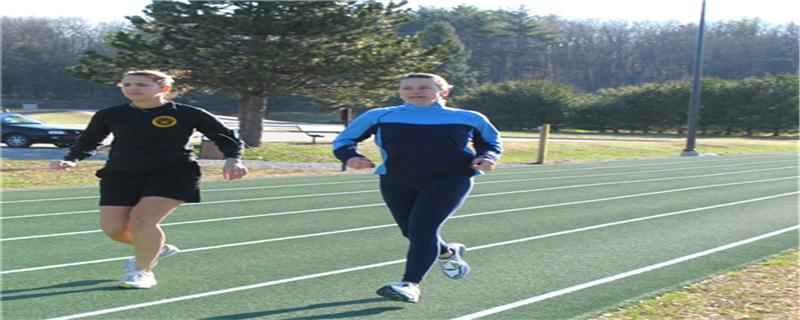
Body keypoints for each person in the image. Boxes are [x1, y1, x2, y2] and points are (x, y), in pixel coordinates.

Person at [51, 70, 248, 289]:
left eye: (142, 84)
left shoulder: (189, 113)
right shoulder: (109, 115)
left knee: (142, 219)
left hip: (174, 173)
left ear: (163, 88)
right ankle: (156, 247)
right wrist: (72, 159)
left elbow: (227, 138)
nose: (133, 88)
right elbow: (89, 141)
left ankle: (142, 271)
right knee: (114, 229)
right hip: (120, 173)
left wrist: (233, 160)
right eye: (127, 84)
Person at [332, 72, 503, 303]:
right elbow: (344, 141)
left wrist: (487, 157)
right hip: (396, 179)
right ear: (400, 92)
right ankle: (447, 252)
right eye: (408, 88)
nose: (415, 92)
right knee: (411, 232)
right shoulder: (380, 116)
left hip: (450, 179)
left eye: (424, 87)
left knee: (422, 229)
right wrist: (351, 157)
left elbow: (490, 142)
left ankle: (410, 284)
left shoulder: (469, 117)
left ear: (444, 92)